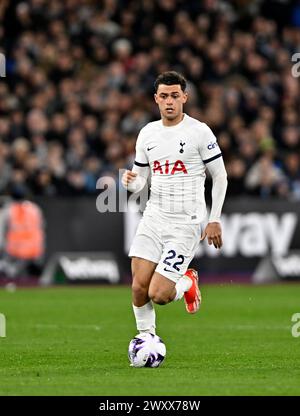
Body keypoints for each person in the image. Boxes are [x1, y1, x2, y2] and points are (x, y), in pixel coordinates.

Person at [122, 71, 227, 336]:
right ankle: (146, 339)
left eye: (175, 96)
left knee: (159, 294)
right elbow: (140, 181)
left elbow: (220, 175)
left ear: (185, 98)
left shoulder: (199, 132)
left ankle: (187, 284)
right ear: (156, 99)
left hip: (185, 223)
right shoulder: (147, 133)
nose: (170, 101)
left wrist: (214, 218)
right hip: (154, 218)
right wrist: (130, 181)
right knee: (138, 287)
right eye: (165, 96)